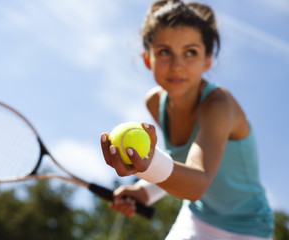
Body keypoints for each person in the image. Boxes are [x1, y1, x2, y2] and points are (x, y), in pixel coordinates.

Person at [100, 0, 274, 239]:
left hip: (248, 227)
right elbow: (180, 160)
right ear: (147, 59)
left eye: (190, 52)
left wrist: (149, 167)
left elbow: (196, 182)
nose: (177, 65)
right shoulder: (154, 103)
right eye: (164, 52)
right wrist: (145, 193)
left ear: (207, 61)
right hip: (197, 217)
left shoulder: (219, 104)